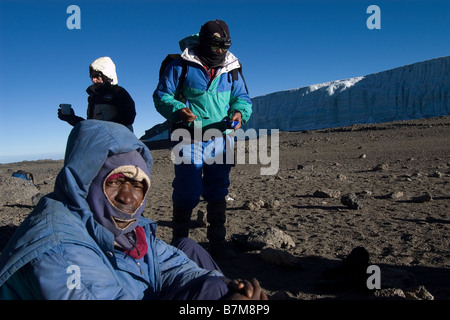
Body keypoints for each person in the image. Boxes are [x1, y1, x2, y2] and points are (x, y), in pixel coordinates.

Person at [0, 120, 267, 300]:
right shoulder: (60, 252)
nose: (129, 198)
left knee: (203, 270)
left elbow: (172, 266)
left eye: (138, 184)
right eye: (116, 181)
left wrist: (228, 291)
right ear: (86, 180)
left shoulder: (123, 230)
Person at [153, 20, 252, 259]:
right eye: (216, 46)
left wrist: (239, 114)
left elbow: (242, 98)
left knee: (218, 187)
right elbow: (161, 95)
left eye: (225, 46)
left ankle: (217, 241)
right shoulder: (181, 66)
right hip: (188, 136)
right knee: (188, 185)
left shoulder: (232, 69)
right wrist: (178, 110)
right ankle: (179, 241)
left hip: (220, 136)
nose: (220, 51)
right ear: (204, 43)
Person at [58, 56, 136, 131]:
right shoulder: (93, 97)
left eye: (96, 76)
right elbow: (91, 125)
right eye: (91, 77)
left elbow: (128, 118)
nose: (93, 80)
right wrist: (71, 118)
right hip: (101, 141)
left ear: (106, 75)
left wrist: (100, 130)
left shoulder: (118, 92)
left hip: (119, 141)